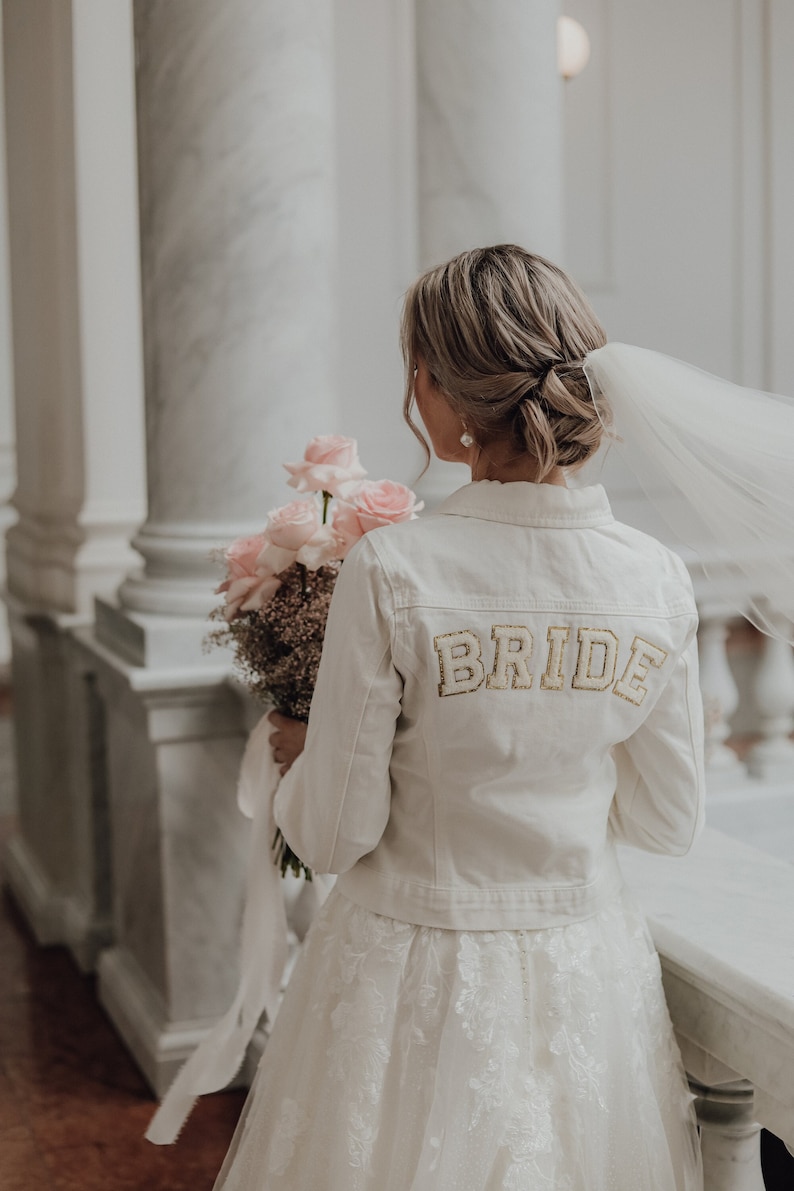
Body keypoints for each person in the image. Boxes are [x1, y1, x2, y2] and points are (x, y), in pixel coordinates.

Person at [213, 245, 705, 1190]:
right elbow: (665, 822)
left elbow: (333, 833)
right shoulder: (656, 578)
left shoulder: (398, 569)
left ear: (440, 387)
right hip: (582, 973)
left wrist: (301, 755)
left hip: (410, 978)